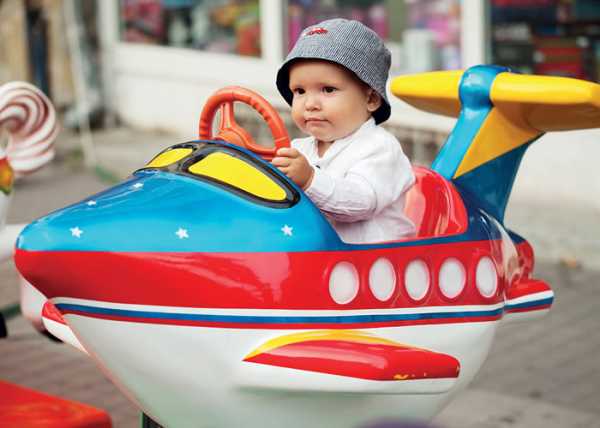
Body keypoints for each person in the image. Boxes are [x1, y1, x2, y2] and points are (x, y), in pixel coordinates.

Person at [272, 18, 416, 244]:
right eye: (299, 91)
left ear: (371, 99)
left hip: (377, 259)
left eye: (328, 90)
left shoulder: (380, 148)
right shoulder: (299, 149)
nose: (310, 104)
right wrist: (248, 160)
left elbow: (361, 203)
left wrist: (310, 179)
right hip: (319, 255)